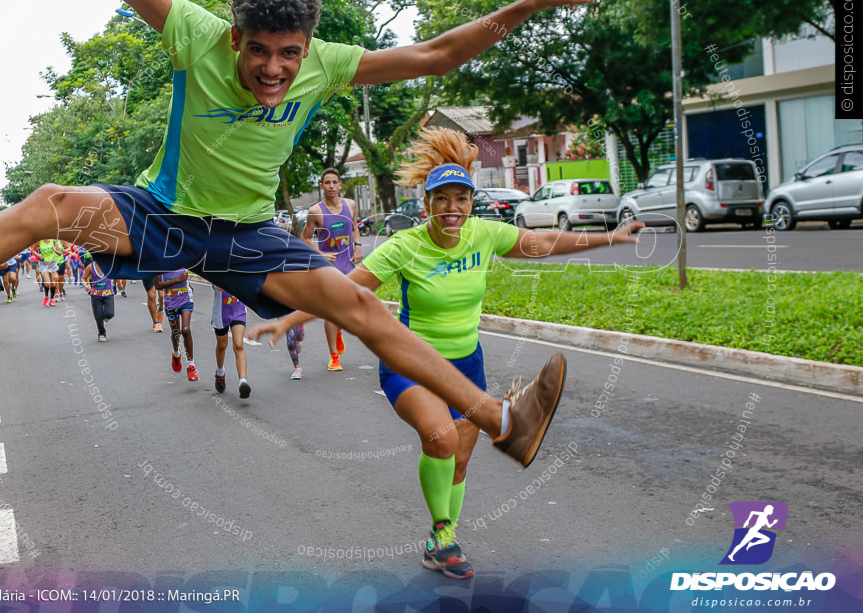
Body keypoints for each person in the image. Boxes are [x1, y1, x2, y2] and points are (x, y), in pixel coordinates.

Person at [0, 0, 605, 470]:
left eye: (288, 55)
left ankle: (504, 422)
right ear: (234, 36)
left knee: (363, 307)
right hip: (162, 212)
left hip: (249, 236)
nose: (272, 69)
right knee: (48, 202)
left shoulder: (328, 65)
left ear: (307, 49)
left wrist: (534, 0)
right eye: (258, 50)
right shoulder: (194, 34)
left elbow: (437, 53)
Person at [251, 127, 645, 578]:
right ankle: (445, 526)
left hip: (466, 365)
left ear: (471, 202)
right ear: (428, 204)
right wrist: (286, 319)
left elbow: (544, 244)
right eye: (442, 199)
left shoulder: (484, 235)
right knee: (439, 436)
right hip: (411, 364)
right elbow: (342, 294)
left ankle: (444, 540)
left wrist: (611, 237)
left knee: (458, 457)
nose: (452, 208)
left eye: (461, 198)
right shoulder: (404, 246)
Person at [301, 168, 361, 371]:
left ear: (340, 184)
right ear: (321, 186)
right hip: (329, 267)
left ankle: (338, 331)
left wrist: (358, 245)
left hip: (348, 264)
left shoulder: (350, 205)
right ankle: (334, 356)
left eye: (335, 182)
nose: (331, 186)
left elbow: (354, 226)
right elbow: (305, 238)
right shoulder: (315, 212)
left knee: (347, 307)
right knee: (330, 311)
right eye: (327, 183)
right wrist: (321, 254)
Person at [154, 268, 198, 380]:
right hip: (170, 301)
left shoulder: (182, 257)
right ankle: (176, 352)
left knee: (186, 330)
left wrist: (188, 283)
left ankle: (191, 366)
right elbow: (158, 285)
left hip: (185, 299)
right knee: (176, 332)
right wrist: (178, 279)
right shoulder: (160, 262)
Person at [211, 285, 250, 398]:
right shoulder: (216, 270)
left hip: (239, 310)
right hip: (221, 313)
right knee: (222, 346)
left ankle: (243, 382)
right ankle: (220, 372)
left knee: (238, 345)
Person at [81, 258, 116, 341]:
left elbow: (116, 274)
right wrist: (86, 286)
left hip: (108, 293)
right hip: (96, 295)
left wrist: (119, 283)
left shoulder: (109, 265)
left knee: (110, 313)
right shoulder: (90, 267)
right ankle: (101, 333)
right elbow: (83, 278)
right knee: (98, 315)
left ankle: (106, 316)